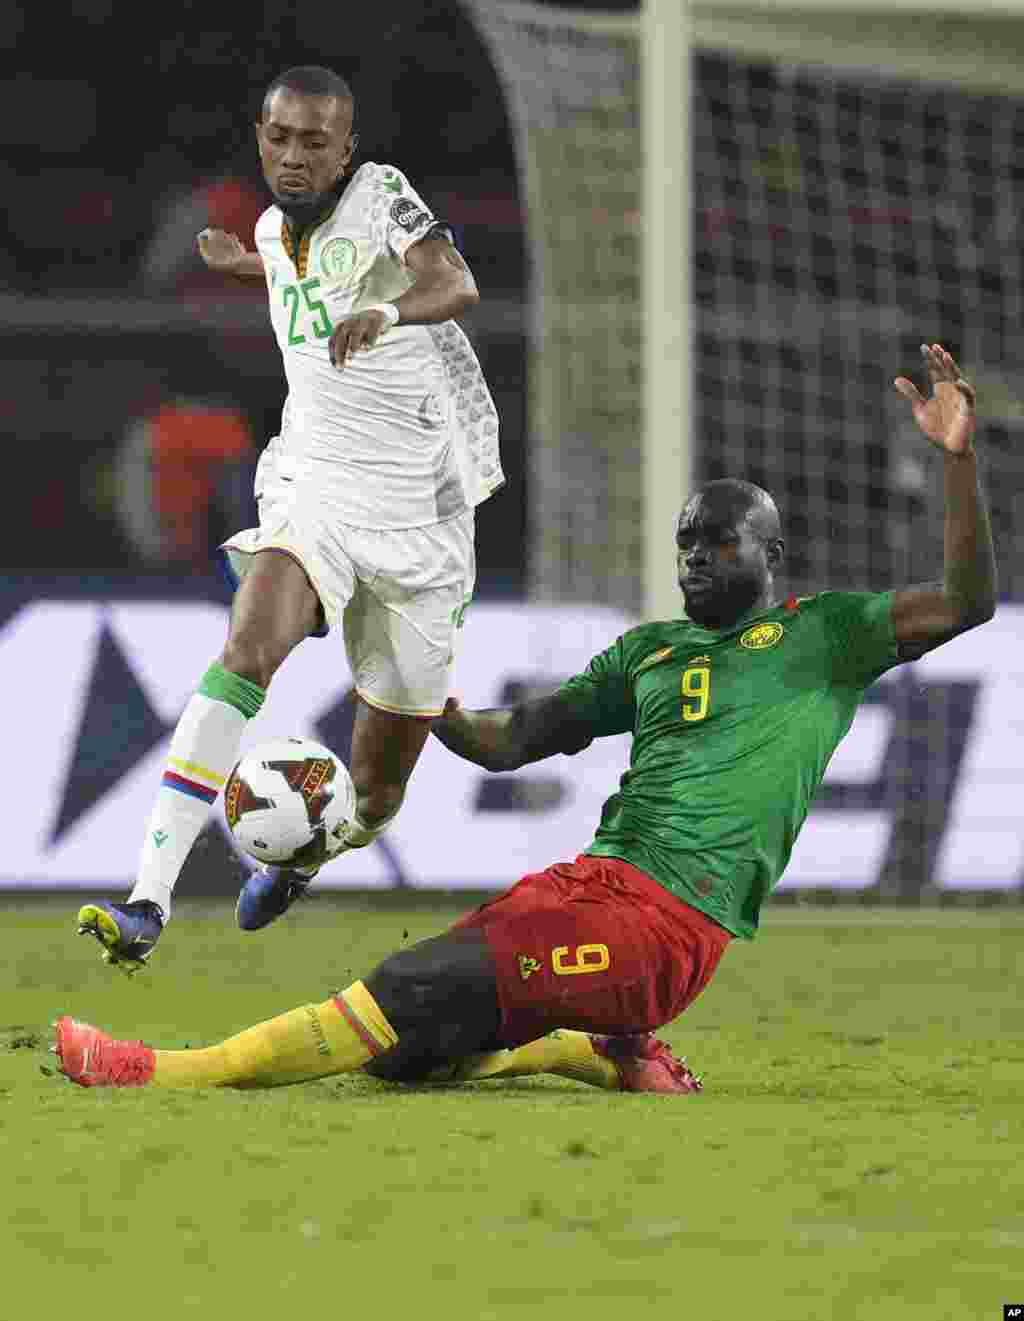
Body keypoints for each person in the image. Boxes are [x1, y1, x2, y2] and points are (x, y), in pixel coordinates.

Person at [56, 345, 995, 1094]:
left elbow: (965, 602)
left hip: (668, 926)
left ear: (772, 552)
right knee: (405, 1049)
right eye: (685, 545)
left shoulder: (824, 636)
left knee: (406, 992)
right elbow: (519, 740)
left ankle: (159, 1069)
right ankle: (587, 1053)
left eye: (719, 541)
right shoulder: (649, 653)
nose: (697, 557)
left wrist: (956, 463)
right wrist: (440, 714)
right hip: (588, 885)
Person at [75, 65, 503, 972]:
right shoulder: (272, 227)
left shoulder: (383, 194)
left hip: (424, 512)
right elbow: (295, 271)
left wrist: (387, 310)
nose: (296, 155)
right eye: (281, 138)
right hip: (317, 482)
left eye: (317, 142)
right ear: (260, 136)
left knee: (380, 789)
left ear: (348, 149)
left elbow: (454, 281)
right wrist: (248, 261)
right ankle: (148, 898)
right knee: (249, 645)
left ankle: (311, 852)